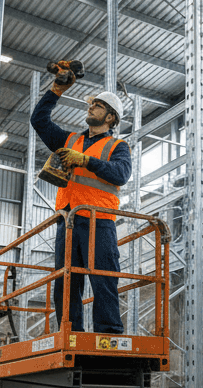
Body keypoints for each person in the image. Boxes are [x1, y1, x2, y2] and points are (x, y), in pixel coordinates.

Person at [29, 65, 130, 334]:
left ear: (110, 117)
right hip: (68, 221)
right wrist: (56, 91)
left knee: (103, 278)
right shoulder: (70, 139)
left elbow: (120, 174)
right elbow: (39, 121)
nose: (91, 107)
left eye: (97, 106)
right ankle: (69, 332)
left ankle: (108, 332)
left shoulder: (118, 147)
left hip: (99, 221)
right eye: (92, 104)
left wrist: (86, 161)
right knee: (66, 281)